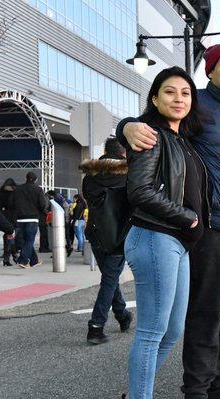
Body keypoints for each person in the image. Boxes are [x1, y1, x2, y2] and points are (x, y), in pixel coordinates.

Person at [117, 42, 220, 399]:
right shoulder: (196, 106)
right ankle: (197, 389)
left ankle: (218, 383)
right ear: (211, 70)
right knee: (204, 315)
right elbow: (153, 126)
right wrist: (125, 127)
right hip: (207, 229)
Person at [123, 66, 207, 398]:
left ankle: (135, 392)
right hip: (156, 235)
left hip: (176, 242)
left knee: (172, 331)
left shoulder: (181, 139)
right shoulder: (152, 134)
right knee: (151, 331)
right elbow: (140, 191)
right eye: (170, 91)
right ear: (155, 98)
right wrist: (188, 218)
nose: (179, 98)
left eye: (185, 93)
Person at [80, 137, 133, 345]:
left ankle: (122, 314)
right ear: (123, 154)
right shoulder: (129, 174)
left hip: (95, 232)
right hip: (118, 235)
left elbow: (88, 199)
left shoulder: (90, 177)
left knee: (110, 278)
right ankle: (96, 326)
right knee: (110, 279)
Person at [9, 171, 48, 269]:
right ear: (36, 179)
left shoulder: (17, 189)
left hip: (19, 219)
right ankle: (24, 260)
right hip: (32, 218)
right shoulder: (38, 189)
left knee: (26, 241)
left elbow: (10, 203)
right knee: (30, 240)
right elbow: (43, 204)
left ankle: (34, 261)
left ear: (26, 178)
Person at [0, 178, 18, 266]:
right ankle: (11, 255)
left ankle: (9, 256)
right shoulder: (15, 193)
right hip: (11, 218)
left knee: (9, 237)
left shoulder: (1, 193)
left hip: (4, 217)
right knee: (11, 237)